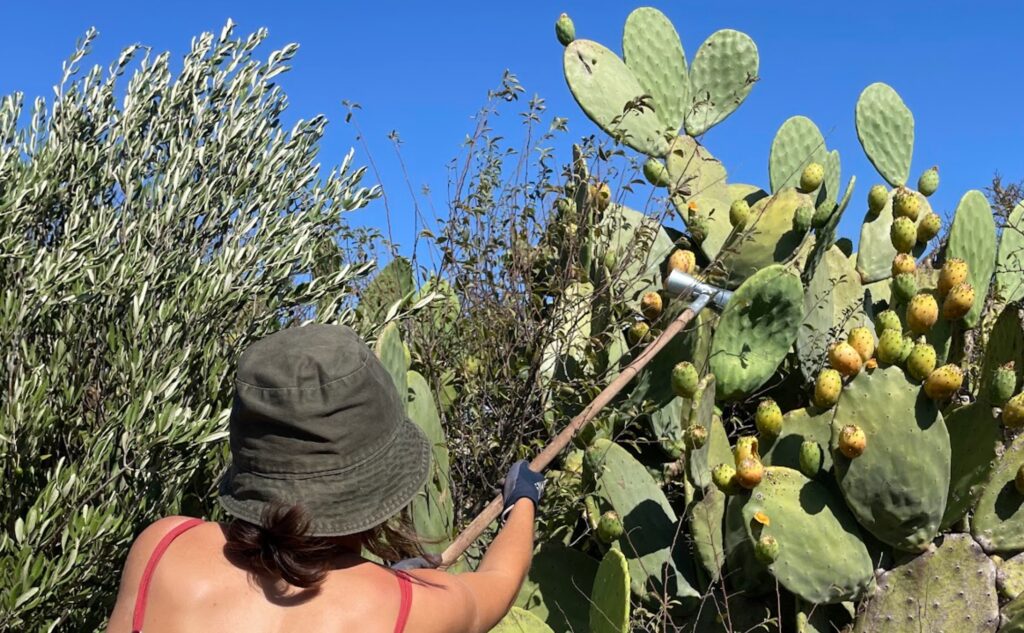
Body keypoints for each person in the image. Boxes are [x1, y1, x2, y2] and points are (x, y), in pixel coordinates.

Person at [106, 323, 544, 633]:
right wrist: (522, 498)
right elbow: (498, 585)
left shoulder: (162, 550)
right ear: (379, 481)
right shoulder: (412, 611)